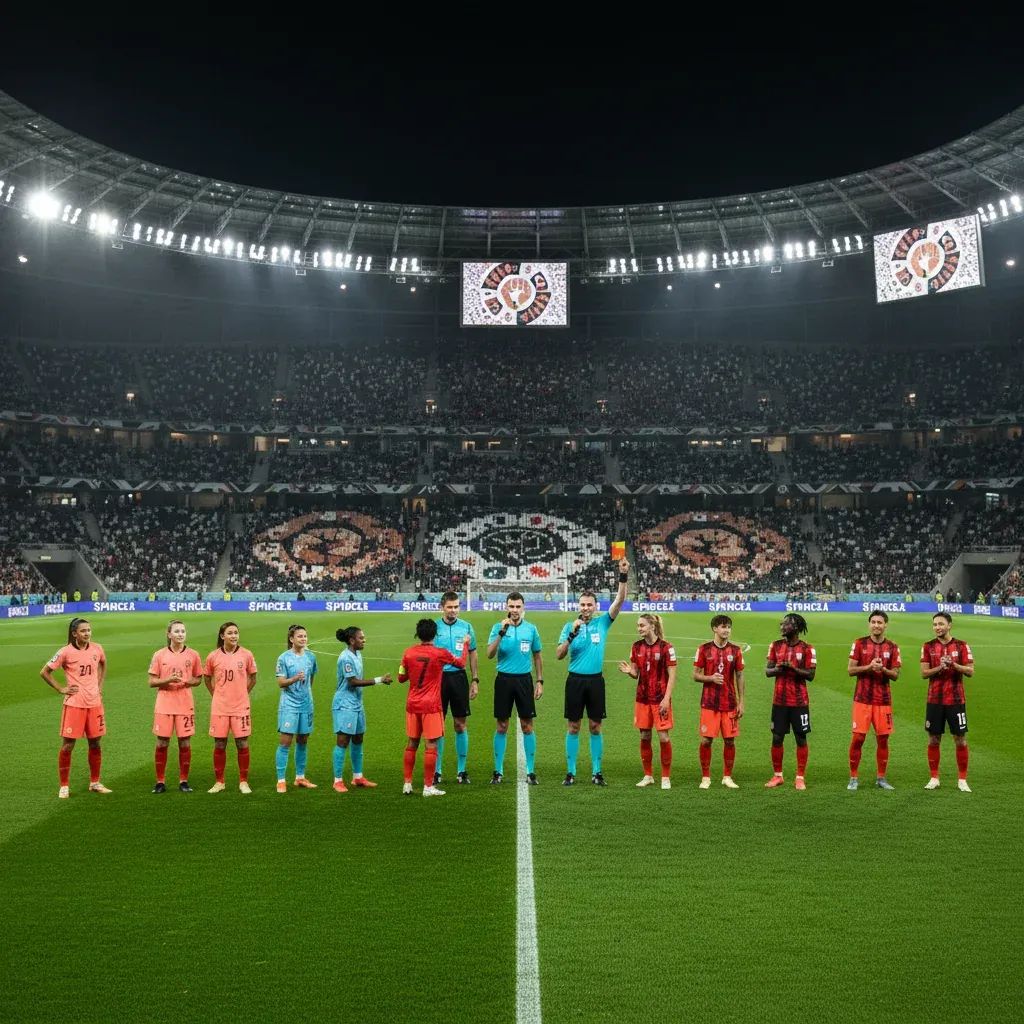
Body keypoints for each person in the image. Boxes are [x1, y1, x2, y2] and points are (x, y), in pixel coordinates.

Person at [556, 558, 629, 786]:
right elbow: (559, 655)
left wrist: (623, 576)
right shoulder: (570, 626)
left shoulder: (602, 623)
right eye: (583, 605)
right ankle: (570, 772)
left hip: (596, 681)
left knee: (595, 726)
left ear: (595, 607)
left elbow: (619, 601)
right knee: (574, 726)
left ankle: (597, 772)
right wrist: (572, 635)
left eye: (590, 605)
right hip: (575, 681)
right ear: (578, 606)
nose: (586, 608)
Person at [39, 616, 111, 798]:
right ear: (74, 634)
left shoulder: (97, 648)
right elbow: (45, 671)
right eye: (83, 631)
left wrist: (100, 686)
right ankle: (64, 785)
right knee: (68, 744)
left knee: (95, 743)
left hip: (94, 704)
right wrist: (60, 688)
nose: (87, 633)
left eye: (89, 630)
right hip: (75, 705)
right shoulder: (65, 652)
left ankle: (94, 782)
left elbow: (103, 663)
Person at [397, 619, 467, 797]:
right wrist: (465, 645)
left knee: (412, 743)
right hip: (431, 705)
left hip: (412, 704)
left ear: (417, 634)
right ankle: (428, 787)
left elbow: (401, 678)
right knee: (431, 745)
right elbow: (461, 663)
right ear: (435, 634)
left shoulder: (408, 653)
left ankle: (407, 784)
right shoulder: (440, 653)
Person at [486, 591, 543, 785]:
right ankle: (498, 770)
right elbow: (489, 654)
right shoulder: (498, 627)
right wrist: (502, 633)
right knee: (502, 726)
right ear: (506, 607)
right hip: (503, 680)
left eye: (518, 606)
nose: (515, 610)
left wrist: (539, 681)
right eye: (511, 606)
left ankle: (531, 770)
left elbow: (537, 655)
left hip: (524, 681)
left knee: (527, 726)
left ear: (523, 607)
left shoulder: (531, 629)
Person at [617, 613, 677, 790]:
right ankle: (648, 775)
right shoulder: (636, 647)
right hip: (642, 698)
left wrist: (666, 699)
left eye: (642, 625)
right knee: (644, 736)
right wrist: (629, 671)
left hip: (660, 700)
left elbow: (672, 675)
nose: (639, 628)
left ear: (652, 626)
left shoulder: (667, 648)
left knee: (663, 737)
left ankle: (665, 777)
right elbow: (636, 673)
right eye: (638, 626)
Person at [846, 610, 901, 791]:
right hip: (862, 699)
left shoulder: (892, 647)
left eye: (880, 622)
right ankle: (853, 777)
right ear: (869, 624)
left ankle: (881, 778)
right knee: (858, 738)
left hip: (883, 701)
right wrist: (870, 667)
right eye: (873, 622)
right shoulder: (859, 644)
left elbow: (895, 675)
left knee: (883, 740)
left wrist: (883, 670)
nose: (876, 625)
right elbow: (851, 670)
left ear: (886, 625)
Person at [148, 619, 204, 793]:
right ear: (169, 634)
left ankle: (183, 781)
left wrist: (187, 681)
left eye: (183, 631)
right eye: (177, 631)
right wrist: (168, 680)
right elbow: (151, 681)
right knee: (162, 742)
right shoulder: (159, 655)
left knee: (185, 742)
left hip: (185, 704)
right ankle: (160, 782)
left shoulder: (193, 655)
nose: (180, 634)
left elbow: (198, 679)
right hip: (164, 704)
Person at [333, 625, 391, 792]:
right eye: (361, 638)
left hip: (357, 704)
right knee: (343, 741)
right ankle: (337, 780)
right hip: (344, 704)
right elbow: (352, 681)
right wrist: (379, 680)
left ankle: (357, 777)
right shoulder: (345, 658)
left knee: (358, 738)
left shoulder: (357, 654)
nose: (364, 640)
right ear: (352, 640)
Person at [921, 612, 974, 791]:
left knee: (960, 739)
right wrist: (940, 667)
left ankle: (962, 779)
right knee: (934, 739)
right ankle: (934, 777)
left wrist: (954, 665)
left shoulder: (961, 646)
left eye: (941, 624)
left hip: (956, 700)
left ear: (949, 625)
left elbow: (970, 671)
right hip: (934, 700)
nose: (937, 627)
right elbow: (924, 673)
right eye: (935, 624)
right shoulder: (928, 646)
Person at [692, 613, 745, 790]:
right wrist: (710, 678)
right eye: (723, 627)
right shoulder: (704, 649)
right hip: (709, 703)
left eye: (729, 627)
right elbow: (695, 675)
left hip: (729, 703)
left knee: (730, 741)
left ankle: (727, 777)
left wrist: (741, 702)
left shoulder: (736, 651)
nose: (727, 630)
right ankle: (705, 777)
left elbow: (739, 676)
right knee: (706, 740)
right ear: (715, 628)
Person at [204, 621, 258, 794]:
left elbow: (253, 678)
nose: (234, 636)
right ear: (222, 636)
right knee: (220, 743)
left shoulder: (246, 655)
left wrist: (242, 693)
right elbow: (207, 678)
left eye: (236, 633)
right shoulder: (213, 656)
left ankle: (243, 781)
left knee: (242, 743)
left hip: (240, 707)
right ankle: (219, 782)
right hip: (220, 707)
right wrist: (217, 694)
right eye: (230, 633)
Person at [764, 613, 816, 790]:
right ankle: (777, 775)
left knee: (801, 738)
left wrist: (793, 668)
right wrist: (779, 668)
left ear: (796, 627)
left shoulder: (808, 648)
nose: (782, 626)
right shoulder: (775, 646)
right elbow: (768, 671)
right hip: (779, 701)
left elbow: (811, 675)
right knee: (777, 737)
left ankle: (800, 777)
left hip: (799, 702)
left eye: (786, 623)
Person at [434, 592, 479, 785]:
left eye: (456, 607)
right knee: (438, 726)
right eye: (450, 607)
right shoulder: (434, 628)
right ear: (442, 607)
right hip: (438, 679)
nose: (453, 610)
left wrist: (475, 679)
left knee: (460, 724)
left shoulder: (467, 627)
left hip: (459, 679)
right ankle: (437, 771)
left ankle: (461, 770)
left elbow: (473, 653)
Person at [274, 624, 318, 793]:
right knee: (285, 741)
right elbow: (280, 683)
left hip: (306, 704)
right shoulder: (283, 658)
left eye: (305, 636)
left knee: (303, 740)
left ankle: (300, 777)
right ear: (291, 639)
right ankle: (281, 780)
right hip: (289, 705)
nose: (303, 639)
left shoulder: (311, 657)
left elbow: (311, 679)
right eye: (300, 636)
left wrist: (306, 692)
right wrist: (294, 679)